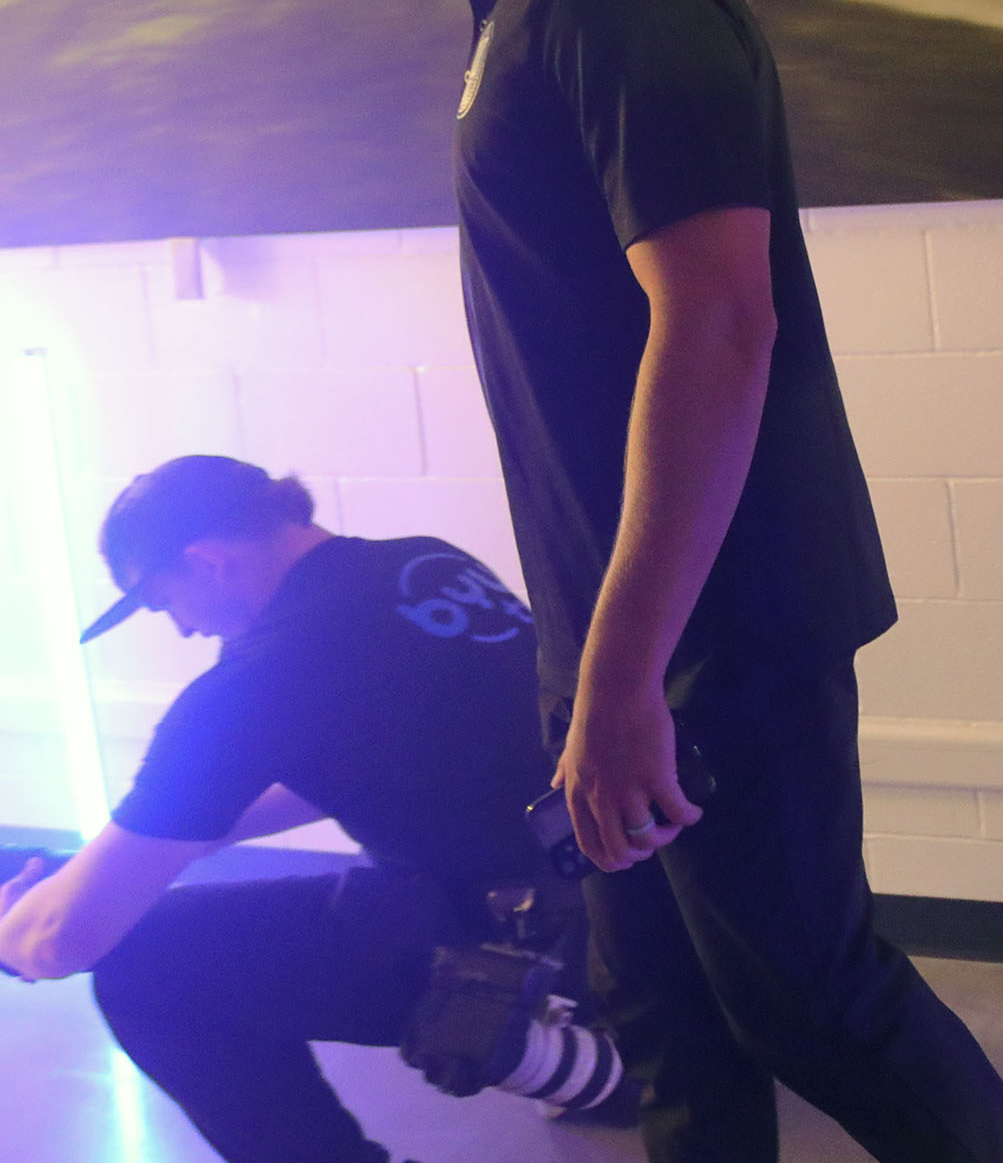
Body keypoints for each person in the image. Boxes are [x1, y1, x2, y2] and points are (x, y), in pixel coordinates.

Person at [343, 0, 1003, 1162]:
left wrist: (628, 673)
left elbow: (720, 325)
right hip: (627, 629)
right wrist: (597, 655)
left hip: (701, 637)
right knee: (665, 1021)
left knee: (810, 1000)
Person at [0, 456, 598, 1163]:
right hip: (610, 896)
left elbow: (66, 939)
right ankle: (587, 1048)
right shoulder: (427, 564)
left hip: (506, 931)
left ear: (207, 561)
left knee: (148, 965)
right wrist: (188, 836)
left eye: (168, 605)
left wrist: (13, 938)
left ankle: (543, 1029)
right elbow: (394, 760)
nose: (185, 630)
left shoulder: (261, 674)